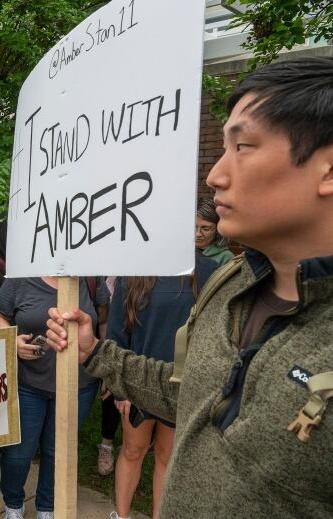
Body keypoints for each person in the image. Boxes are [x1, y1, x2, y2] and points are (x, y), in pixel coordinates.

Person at [46, 57, 333, 518]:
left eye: (242, 147)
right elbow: (194, 395)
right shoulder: (229, 285)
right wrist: (96, 352)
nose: (215, 174)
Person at [107, 255, 216, 519]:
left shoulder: (208, 271)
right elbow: (116, 334)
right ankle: (121, 515)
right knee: (133, 450)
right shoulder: (133, 271)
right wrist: (120, 388)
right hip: (137, 382)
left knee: (167, 457)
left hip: (181, 385)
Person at [0, 275, 101, 519]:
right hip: (29, 384)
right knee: (19, 452)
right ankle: (13, 504)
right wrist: (11, 340)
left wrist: (106, 366)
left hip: (79, 386)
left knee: (57, 451)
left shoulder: (91, 277)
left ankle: (47, 507)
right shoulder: (22, 275)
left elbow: (102, 322)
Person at [195, 196, 234, 265]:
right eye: (194, 228)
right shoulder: (181, 250)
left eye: (205, 229)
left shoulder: (226, 257)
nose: (198, 234)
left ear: (217, 229)